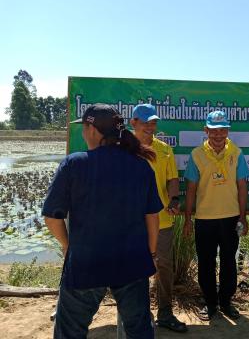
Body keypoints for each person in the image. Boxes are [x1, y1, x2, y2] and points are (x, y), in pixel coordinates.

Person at [43, 104, 162, 339]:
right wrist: (149, 252)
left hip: (86, 262)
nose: (83, 133)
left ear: (93, 130)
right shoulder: (140, 165)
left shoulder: (74, 164)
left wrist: (68, 246)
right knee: (138, 329)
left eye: (84, 127)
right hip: (133, 261)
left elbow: (52, 217)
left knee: (70, 330)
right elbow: (152, 216)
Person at [183, 110, 249, 321]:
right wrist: (187, 219)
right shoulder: (196, 155)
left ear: (228, 131)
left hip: (230, 217)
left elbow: (242, 187)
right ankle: (210, 303)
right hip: (204, 219)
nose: (218, 135)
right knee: (206, 263)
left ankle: (226, 302)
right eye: (214, 130)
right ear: (206, 130)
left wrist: (243, 217)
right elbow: (191, 189)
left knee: (229, 262)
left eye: (222, 130)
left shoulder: (237, 153)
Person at [130, 103, 187, 333]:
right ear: (133, 122)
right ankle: (140, 314)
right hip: (132, 223)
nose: (150, 127)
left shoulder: (164, 149)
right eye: (145, 122)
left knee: (164, 267)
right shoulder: (124, 149)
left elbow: (173, 178)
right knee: (135, 269)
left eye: (153, 123)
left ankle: (165, 313)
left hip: (162, 220)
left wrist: (174, 199)